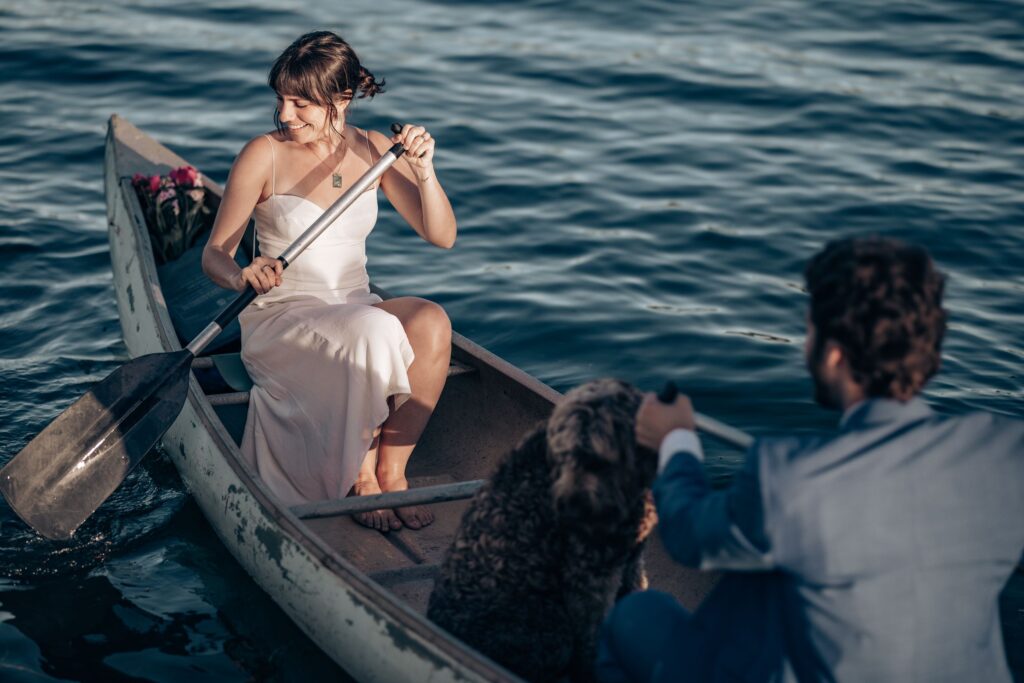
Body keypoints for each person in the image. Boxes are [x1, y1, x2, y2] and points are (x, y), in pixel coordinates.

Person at [598, 236, 1024, 682]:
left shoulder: (789, 474)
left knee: (635, 615)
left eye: (810, 331)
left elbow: (689, 534)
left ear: (834, 353)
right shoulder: (1004, 451)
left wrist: (676, 440)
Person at [202, 30, 457, 532]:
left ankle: (392, 471)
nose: (285, 114)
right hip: (284, 318)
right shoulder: (263, 154)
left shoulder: (375, 148)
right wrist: (241, 275)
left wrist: (425, 172)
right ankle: (360, 474)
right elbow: (215, 255)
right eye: (281, 99)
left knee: (430, 321)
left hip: (355, 308)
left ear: (341, 99)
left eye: (301, 103)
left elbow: (441, 236)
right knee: (374, 331)